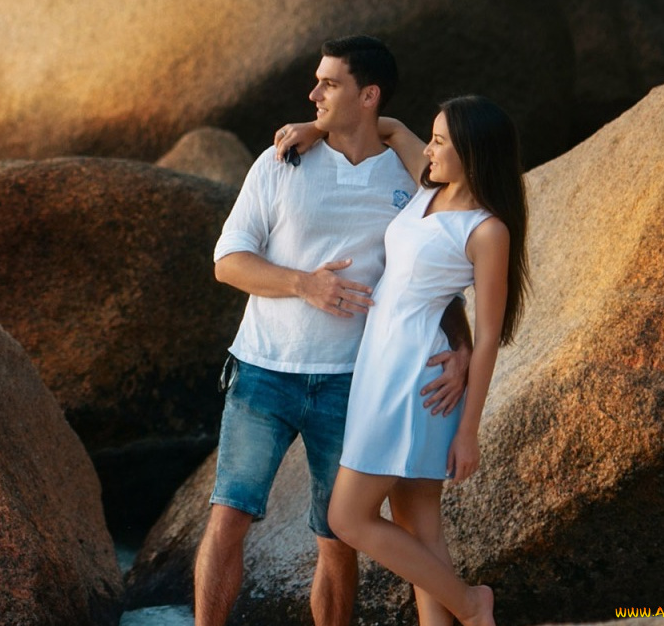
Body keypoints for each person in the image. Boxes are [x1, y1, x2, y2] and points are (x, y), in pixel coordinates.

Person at [197, 36, 471, 626]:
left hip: (355, 380)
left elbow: (433, 271)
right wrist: (304, 284)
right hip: (263, 371)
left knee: (337, 537)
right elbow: (227, 262)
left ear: (368, 96)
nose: (313, 93)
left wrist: (463, 346)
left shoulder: (410, 179)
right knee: (228, 517)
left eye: (329, 83)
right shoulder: (280, 162)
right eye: (316, 81)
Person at [276, 96, 530, 626]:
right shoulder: (430, 185)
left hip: (413, 377)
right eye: (431, 138)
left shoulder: (487, 230)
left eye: (439, 141)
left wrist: (469, 431)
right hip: (381, 365)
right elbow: (388, 127)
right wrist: (311, 128)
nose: (429, 149)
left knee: (347, 517)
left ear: (473, 154)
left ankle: (471, 604)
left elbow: (488, 337)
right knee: (421, 530)